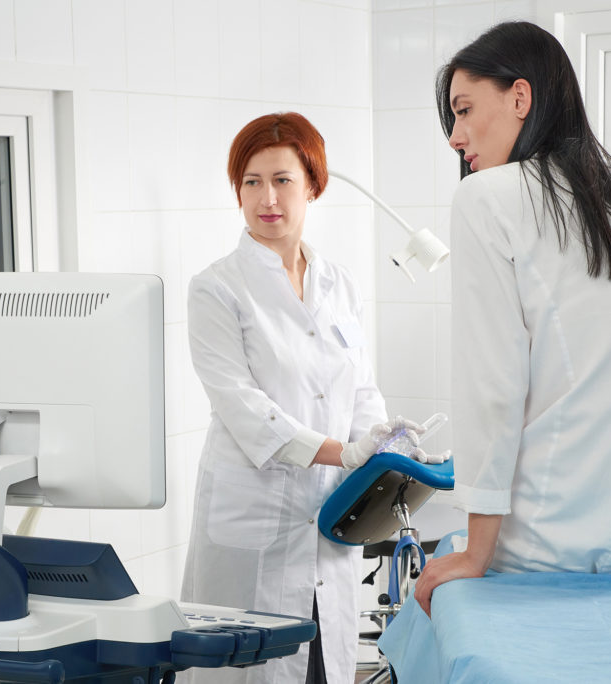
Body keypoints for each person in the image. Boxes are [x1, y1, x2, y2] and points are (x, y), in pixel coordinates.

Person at [414, 21, 611, 616]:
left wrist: (474, 552)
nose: (455, 136)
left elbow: (492, 387)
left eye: (462, 110)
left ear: (520, 96)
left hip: (556, 536)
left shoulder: (485, 199)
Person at [180, 112, 440, 684]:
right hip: (253, 528)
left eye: (282, 180)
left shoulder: (339, 283)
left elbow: (360, 386)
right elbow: (245, 409)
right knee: (252, 671)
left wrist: (381, 443)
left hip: (328, 522)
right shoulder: (217, 288)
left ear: (312, 186)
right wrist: (341, 453)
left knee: (323, 665)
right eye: (251, 182)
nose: (266, 197)